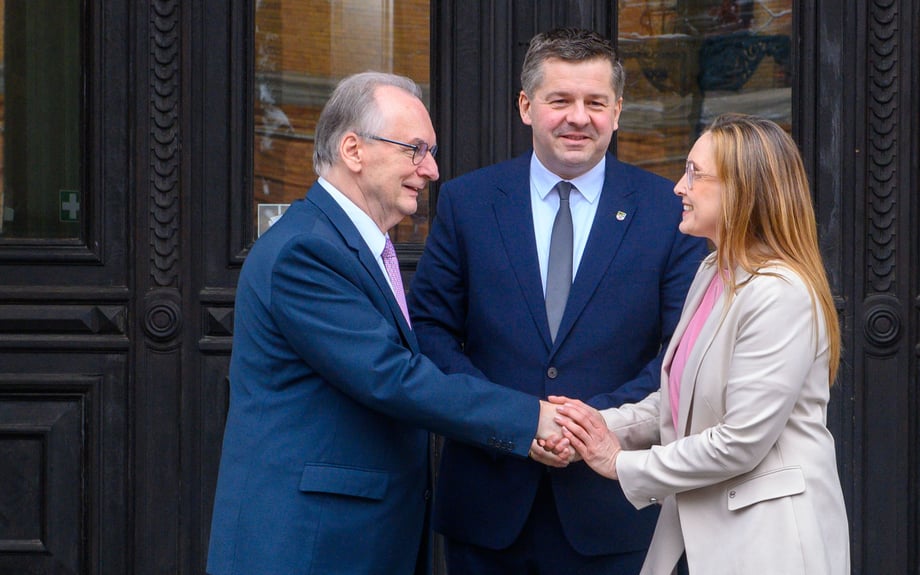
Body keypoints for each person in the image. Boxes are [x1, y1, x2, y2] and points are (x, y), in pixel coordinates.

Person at [205, 72, 570, 575]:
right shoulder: (305, 251)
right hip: (308, 543)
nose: (433, 170)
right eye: (415, 150)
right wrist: (530, 418)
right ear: (353, 150)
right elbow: (390, 375)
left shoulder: (357, 244)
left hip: (354, 535)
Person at [407, 28, 708, 574]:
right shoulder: (467, 201)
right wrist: (518, 421)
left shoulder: (668, 213)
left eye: (595, 102)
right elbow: (428, 331)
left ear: (617, 111)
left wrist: (590, 427)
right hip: (488, 505)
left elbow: (682, 352)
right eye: (560, 100)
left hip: (616, 512)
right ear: (526, 106)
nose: (579, 117)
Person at [551, 113, 851, 574]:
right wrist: (590, 426)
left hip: (768, 543)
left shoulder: (779, 292)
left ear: (743, 190)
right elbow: (677, 402)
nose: (678, 187)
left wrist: (621, 464)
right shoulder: (714, 271)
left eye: (695, 173)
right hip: (703, 533)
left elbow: (740, 442)